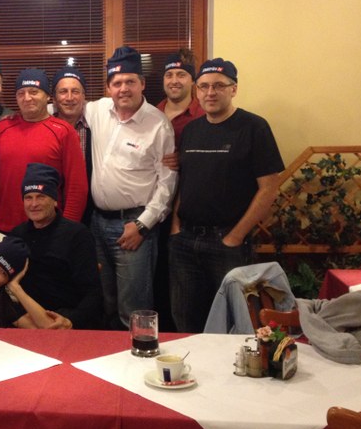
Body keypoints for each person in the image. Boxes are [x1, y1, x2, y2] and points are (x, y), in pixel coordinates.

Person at [169, 57, 284, 333]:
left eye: (219, 85)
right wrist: (175, 226)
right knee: (185, 320)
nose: (210, 92)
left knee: (234, 323)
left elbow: (269, 187)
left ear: (234, 89)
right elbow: (185, 182)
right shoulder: (192, 130)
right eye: (204, 86)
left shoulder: (254, 127)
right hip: (185, 242)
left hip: (228, 243)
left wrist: (235, 236)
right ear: (197, 91)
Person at [86, 46, 178, 329]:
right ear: (108, 88)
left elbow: (167, 183)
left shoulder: (158, 125)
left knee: (134, 310)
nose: (123, 88)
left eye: (130, 81)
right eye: (117, 83)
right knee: (105, 303)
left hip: (133, 226)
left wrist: (142, 225)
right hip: (98, 224)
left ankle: (138, 356)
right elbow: (61, 107)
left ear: (142, 83)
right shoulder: (97, 110)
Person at [0, 68, 88, 233]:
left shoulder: (64, 131)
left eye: (34, 92)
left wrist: (66, 230)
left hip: (48, 228)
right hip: (3, 225)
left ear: (47, 96)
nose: (27, 98)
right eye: (21, 93)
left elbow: (76, 187)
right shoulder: (2, 128)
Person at [10, 163, 103, 329]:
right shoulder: (17, 235)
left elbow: (93, 293)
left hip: (68, 321)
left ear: (54, 200)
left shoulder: (77, 234)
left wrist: (71, 320)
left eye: (41, 196)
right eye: (28, 197)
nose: (33, 204)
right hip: (28, 320)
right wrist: (21, 318)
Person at [154, 50, 204, 329]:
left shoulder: (202, 115)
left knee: (185, 286)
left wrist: (183, 159)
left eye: (181, 75)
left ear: (192, 80)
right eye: (169, 74)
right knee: (157, 280)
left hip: (186, 212)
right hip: (151, 210)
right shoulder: (151, 113)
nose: (174, 80)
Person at [52, 65, 93, 225]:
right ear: (54, 98)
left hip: (91, 213)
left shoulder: (96, 126)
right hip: (51, 210)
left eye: (75, 91)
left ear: (84, 96)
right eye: (63, 92)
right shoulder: (45, 127)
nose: (69, 98)